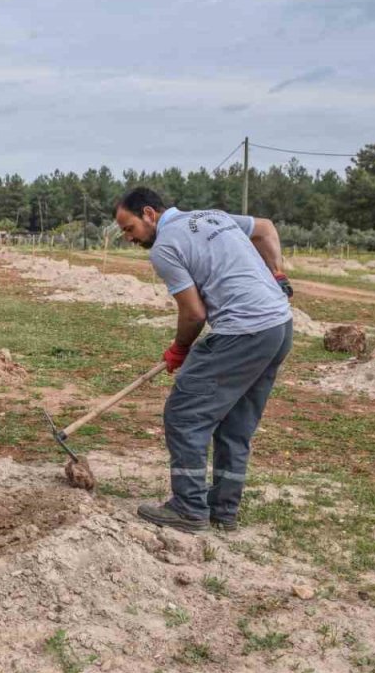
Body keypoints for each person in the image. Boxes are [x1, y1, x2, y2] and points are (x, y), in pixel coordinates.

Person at [113, 187, 294, 533]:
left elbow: (194, 314)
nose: (128, 238)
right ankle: (223, 511)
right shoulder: (214, 216)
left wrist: (180, 349)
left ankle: (189, 508)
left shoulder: (165, 246)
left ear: (149, 214)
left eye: (129, 228)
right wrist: (278, 273)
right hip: (279, 327)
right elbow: (267, 228)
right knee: (236, 424)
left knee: (184, 413)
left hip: (244, 331)